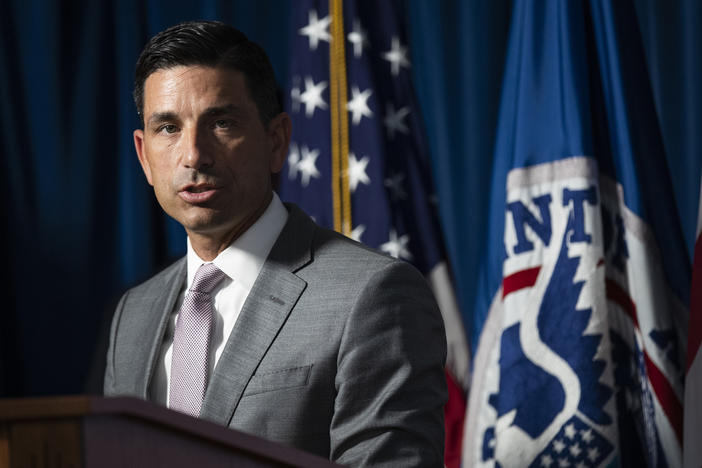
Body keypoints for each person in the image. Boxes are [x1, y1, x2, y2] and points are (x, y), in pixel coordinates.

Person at [103, 20, 447, 466]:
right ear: (144, 156)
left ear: (276, 140)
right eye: (168, 128)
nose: (193, 155)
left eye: (221, 122)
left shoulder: (373, 295)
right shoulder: (133, 314)